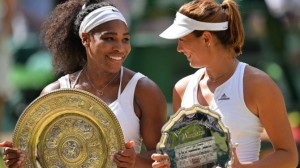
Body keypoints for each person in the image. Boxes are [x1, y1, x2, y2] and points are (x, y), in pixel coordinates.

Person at [0, 0, 167, 167]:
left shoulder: (143, 91)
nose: (120, 47)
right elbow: (37, 157)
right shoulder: (55, 93)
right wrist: (19, 159)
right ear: (85, 38)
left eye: (125, 39)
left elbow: (163, 157)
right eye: (109, 38)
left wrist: (135, 161)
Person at [151, 0, 298, 167]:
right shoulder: (182, 89)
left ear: (206, 38)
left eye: (183, 39)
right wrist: (171, 162)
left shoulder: (258, 84)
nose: (178, 48)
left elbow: (289, 157)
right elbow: (187, 158)